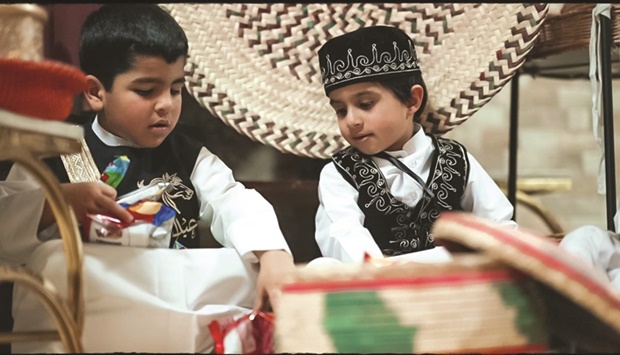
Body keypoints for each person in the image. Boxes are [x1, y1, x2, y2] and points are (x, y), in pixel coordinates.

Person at [1, 4, 294, 352]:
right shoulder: (53, 146)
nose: (166, 105)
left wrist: (273, 254)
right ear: (95, 92)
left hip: (179, 297)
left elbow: (234, 200)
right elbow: (6, 221)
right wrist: (60, 201)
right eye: (146, 90)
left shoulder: (189, 156)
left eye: (175, 89)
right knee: (57, 267)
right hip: (97, 301)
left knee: (273, 270)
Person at [314, 26, 517, 263]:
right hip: (377, 287)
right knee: (322, 267)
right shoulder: (339, 173)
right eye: (340, 110)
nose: (352, 120)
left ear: (412, 100)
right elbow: (344, 234)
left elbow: (499, 227)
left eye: (366, 104)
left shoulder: (455, 160)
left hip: (452, 282)